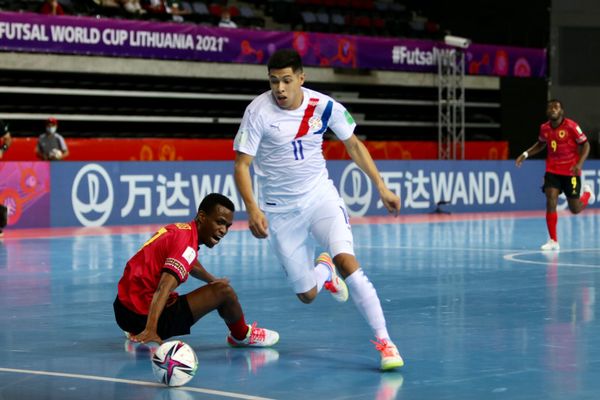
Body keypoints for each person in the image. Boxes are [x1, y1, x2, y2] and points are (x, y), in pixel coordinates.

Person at [233, 48, 404, 371]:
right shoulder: (257, 113)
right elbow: (242, 165)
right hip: (281, 213)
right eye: (273, 81)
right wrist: (252, 208)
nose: (280, 89)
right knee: (307, 294)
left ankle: (386, 342)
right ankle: (324, 270)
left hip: (320, 197)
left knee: (349, 262)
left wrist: (381, 186)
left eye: (286, 81)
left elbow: (353, 144)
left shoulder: (324, 106)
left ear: (301, 78)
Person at [113, 193, 279, 348]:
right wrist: (150, 330)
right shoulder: (187, 245)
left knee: (216, 286)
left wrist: (211, 280)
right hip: (142, 317)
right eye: (219, 222)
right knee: (224, 292)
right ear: (202, 217)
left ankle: (136, 328)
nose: (223, 230)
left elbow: (190, 260)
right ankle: (241, 335)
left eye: (227, 226)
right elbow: (164, 286)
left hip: (123, 309)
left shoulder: (179, 230)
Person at [515, 99, 595, 251]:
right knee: (551, 199)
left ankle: (587, 195)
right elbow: (540, 144)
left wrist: (579, 164)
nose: (553, 109)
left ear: (562, 112)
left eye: (556, 107)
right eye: (550, 107)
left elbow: (586, 144)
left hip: (571, 172)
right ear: (547, 111)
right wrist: (525, 154)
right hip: (552, 171)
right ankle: (553, 240)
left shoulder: (572, 126)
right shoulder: (544, 128)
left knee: (575, 209)